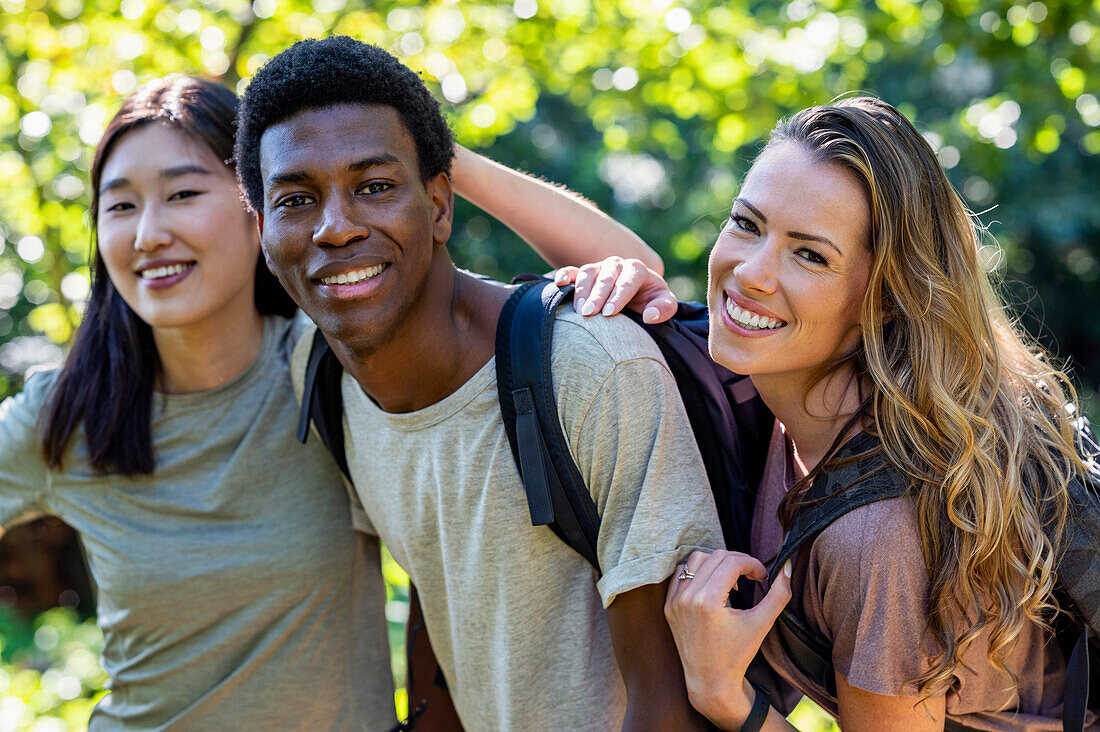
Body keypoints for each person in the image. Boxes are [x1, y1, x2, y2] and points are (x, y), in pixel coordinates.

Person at [0, 74, 659, 730]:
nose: (148, 234)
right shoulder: (67, 413)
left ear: (255, 210)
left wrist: (413, 143)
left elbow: (636, 270)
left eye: (181, 194)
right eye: (119, 206)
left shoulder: (334, 362)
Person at [557, 97, 1099, 730]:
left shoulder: (877, 532)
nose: (751, 274)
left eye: (809, 255)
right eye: (746, 224)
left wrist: (723, 695)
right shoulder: (803, 395)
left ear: (886, 299)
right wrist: (450, 166)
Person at [235, 35, 726, 730]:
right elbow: (441, 584)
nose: (337, 228)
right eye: (296, 199)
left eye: (376, 186)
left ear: (440, 205)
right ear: (259, 229)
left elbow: (671, 701)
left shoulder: (590, 369)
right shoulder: (318, 373)